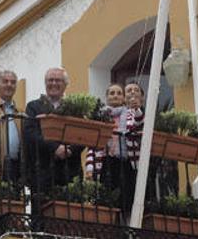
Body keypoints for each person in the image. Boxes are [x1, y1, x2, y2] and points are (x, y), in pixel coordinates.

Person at [23, 68, 83, 204]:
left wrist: (69, 149)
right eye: (50, 80)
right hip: (42, 171)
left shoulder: (75, 108)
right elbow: (30, 133)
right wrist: (55, 148)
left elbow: (82, 135)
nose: (54, 83)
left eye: (58, 80)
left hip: (70, 170)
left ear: (65, 84)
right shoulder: (33, 106)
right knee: (41, 218)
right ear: (45, 83)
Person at [85, 83, 140, 212]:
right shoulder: (99, 115)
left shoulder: (131, 113)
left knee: (127, 197)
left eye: (119, 93)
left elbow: (139, 123)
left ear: (124, 98)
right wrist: (89, 166)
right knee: (106, 197)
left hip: (126, 161)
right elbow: (93, 142)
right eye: (112, 93)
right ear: (107, 97)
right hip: (105, 161)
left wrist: (137, 109)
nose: (115, 96)